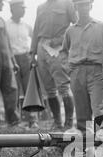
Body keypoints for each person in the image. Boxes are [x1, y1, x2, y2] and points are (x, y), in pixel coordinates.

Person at [60, 0, 103, 132]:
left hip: (96, 72)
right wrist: (67, 68)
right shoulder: (70, 31)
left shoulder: (101, 27)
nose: (83, 8)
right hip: (76, 73)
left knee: (99, 110)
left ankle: (102, 143)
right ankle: (86, 145)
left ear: (91, 6)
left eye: (86, 4)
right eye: (80, 5)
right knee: (82, 114)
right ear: (75, 7)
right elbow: (63, 52)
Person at [30, 0, 77, 131]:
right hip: (41, 46)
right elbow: (36, 30)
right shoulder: (40, 7)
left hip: (58, 47)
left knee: (63, 86)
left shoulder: (67, 4)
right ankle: (57, 122)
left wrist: (63, 40)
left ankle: (69, 122)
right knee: (49, 89)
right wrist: (32, 52)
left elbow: (76, 25)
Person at [6, 0, 39, 129]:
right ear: (13, 9)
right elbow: (6, 45)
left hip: (26, 57)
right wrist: (11, 60)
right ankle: (15, 121)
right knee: (14, 90)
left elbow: (34, 39)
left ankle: (33, 120)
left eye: (24, 8)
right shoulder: (6, 25)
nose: (24, 10)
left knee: (30, 90)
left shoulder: (26, 25)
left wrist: (33, 56)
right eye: (21, 8)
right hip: (12, 59)